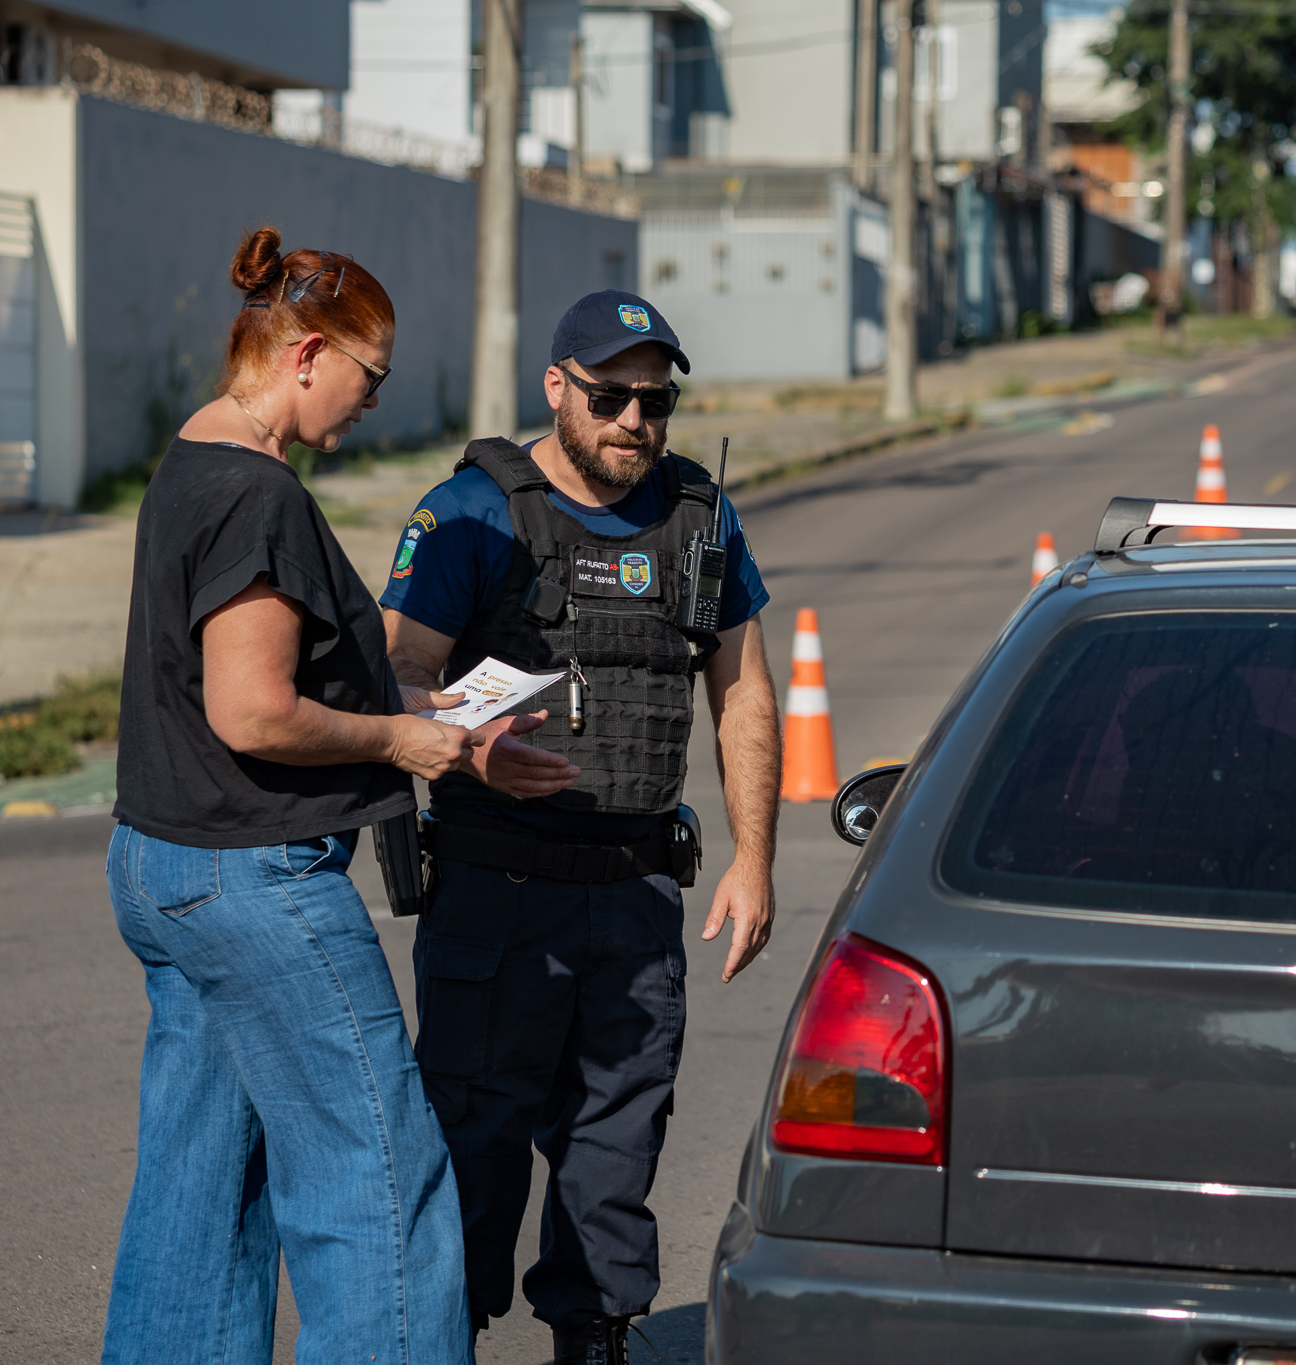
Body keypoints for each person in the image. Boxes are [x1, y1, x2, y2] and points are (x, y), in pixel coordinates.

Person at [103, 227, 495, 1364]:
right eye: (371, 376)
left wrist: (408, 697)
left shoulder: (193, 455)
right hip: (255, 878)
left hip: (168, 864)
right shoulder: (258, 494)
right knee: (379, 1177)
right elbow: (252, 711)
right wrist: (400, 739)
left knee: (201, 1188)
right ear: (309, 353)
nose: (373, 401)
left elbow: (234, 672)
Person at [380, 290, 780, 1363]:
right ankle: (442, 1338)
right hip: (496, 890)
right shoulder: (472, 512)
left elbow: (743, 689)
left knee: (616, 1142)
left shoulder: (698, 516)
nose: (635, 421)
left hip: (634, 888)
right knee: (473, 1139)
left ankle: (594, 1337)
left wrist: (753, 859)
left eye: (656, 401)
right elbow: (399, 673)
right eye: (610, 397)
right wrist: (468, 748)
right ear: (557, 387)